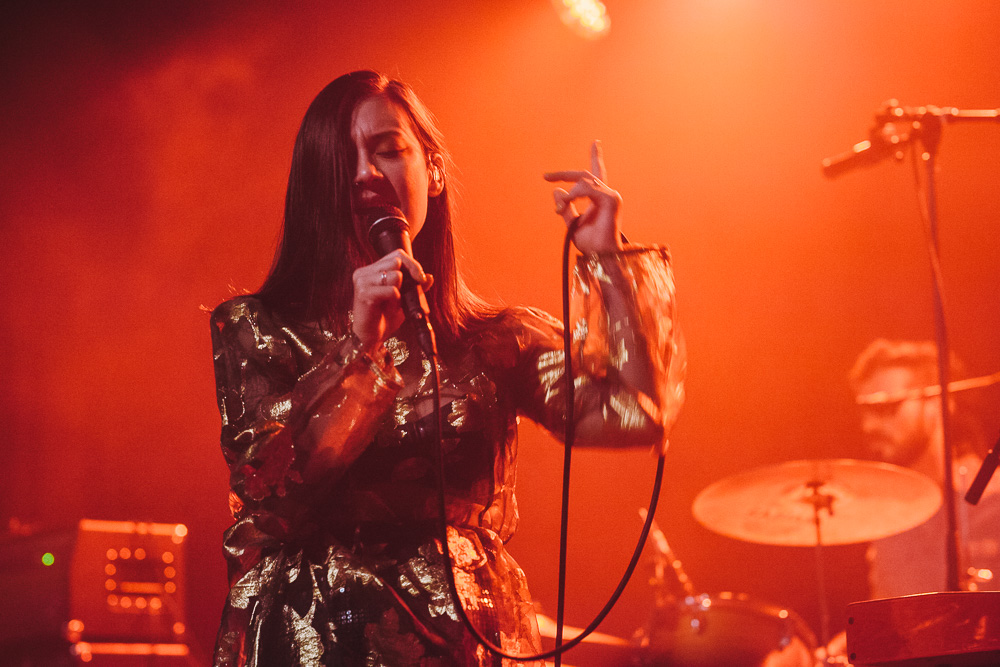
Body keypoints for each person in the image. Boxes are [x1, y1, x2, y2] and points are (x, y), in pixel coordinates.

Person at [208, 70, 685, 666]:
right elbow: (268, 495)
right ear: (312, 187)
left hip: (466, 639)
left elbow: (635, 416)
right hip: (318, 639)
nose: (364, 174)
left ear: (432, 170)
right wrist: (360, 348)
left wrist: (610, 265)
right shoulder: (257, 326)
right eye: (340, 160)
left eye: (388, 150)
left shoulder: (493, 340)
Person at [849, 339, 1000, 598]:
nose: (869, 426)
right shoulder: (888, 516)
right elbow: (885, 625)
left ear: (938, 403)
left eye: (885, 407)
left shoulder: (992, 494)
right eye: (865, 412)